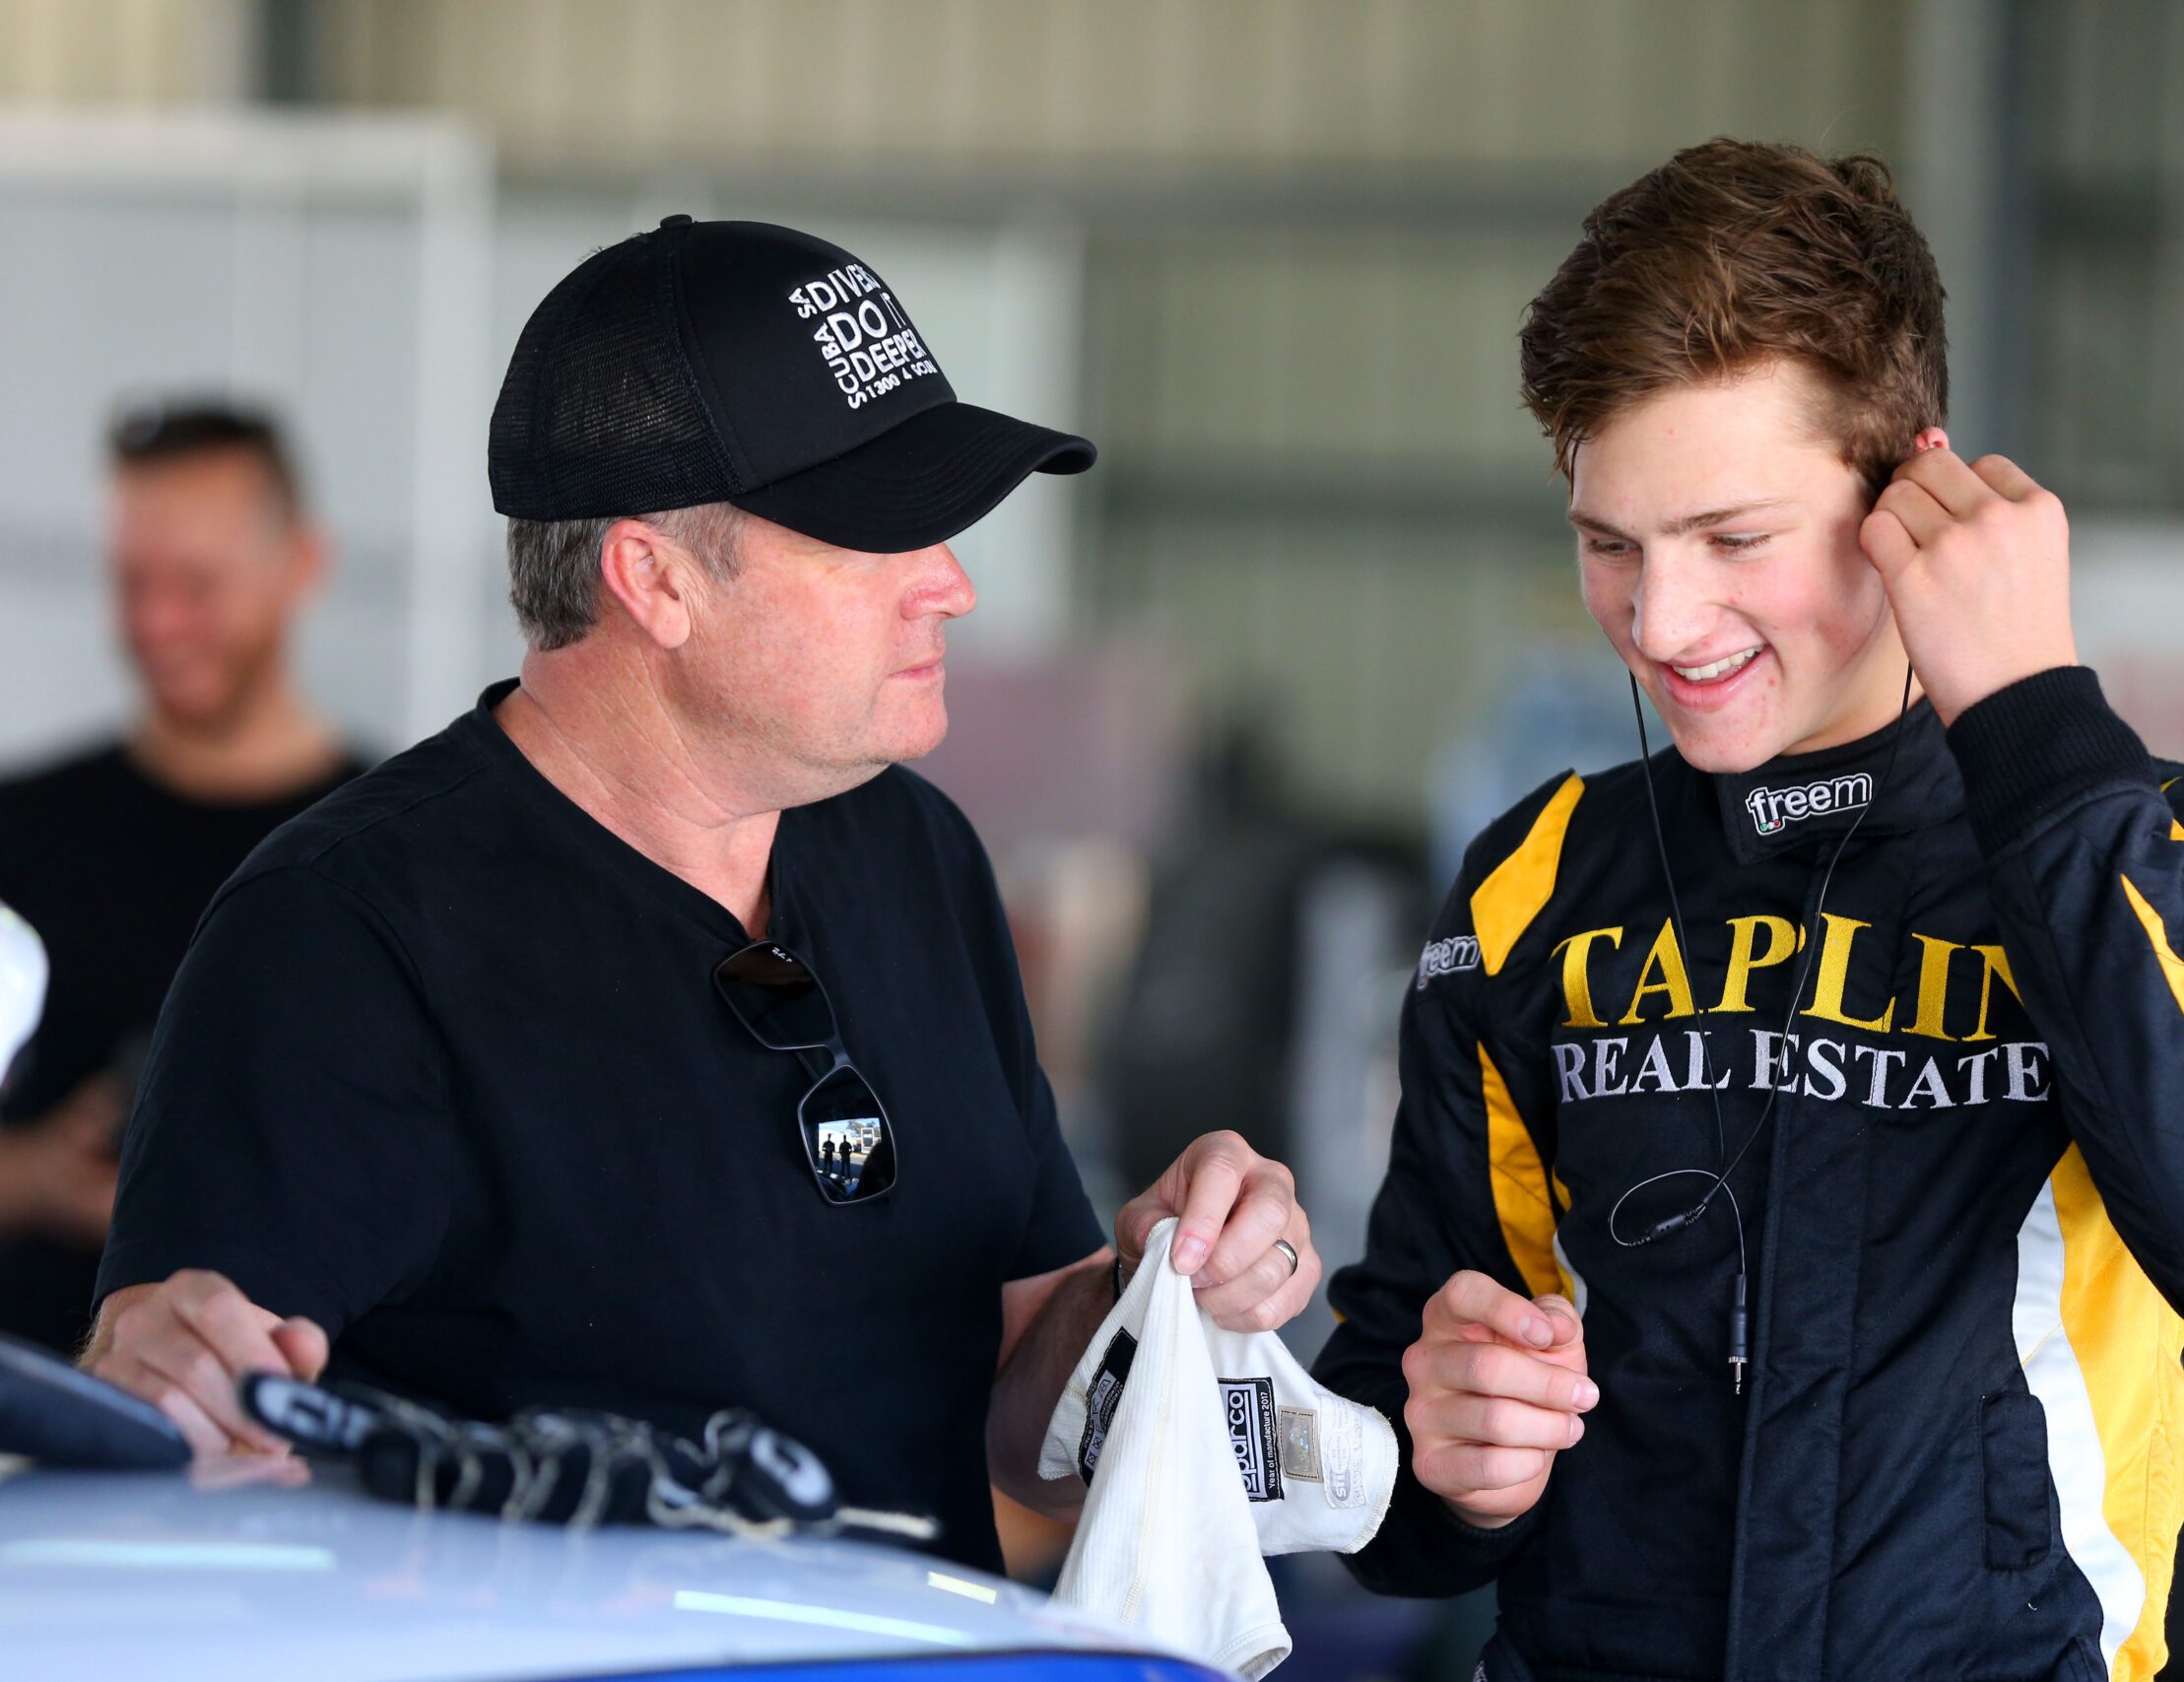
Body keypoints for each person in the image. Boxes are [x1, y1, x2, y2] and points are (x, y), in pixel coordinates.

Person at [80, 216, 1321, 1576]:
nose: (953, 586)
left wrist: (1161, 1283)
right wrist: (163, 1380)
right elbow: (188, 1443)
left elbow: (1026, 1419)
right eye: (879, 534)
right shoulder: (345, 935)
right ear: (653, 577)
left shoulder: (916, 855)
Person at [1312, 141, 2184, 1682]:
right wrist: (1446, 1458)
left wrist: (2030, 723)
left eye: (1734, 539)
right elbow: (1395, 1468)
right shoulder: (1534, 883)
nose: (1661, 624)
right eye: (1610, 543)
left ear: (1915, 492)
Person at [0, 402, 360, 1354]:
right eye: (132, 581)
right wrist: (35, 1173)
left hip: (300, 1417)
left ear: (301, 567)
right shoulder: (19, 829)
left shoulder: (399, 851)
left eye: (197, 584)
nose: (157, 622)